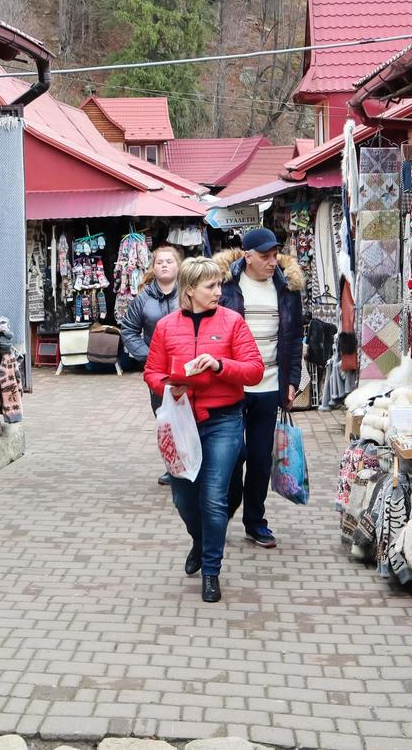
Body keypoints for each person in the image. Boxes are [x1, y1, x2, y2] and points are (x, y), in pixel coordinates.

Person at [143, 256, 264, 603]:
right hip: (181, 423)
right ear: (190, 290)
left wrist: (220, 364)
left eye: (219, 284)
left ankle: (211, 571)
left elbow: (254, 370)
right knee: (183, 498)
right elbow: (151, 372)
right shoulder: (167, 326)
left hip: (223, 420)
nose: (218, 291)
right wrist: (169, 385)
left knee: (213, 498)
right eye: (211, 286)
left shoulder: (232, 322)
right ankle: (200, 540)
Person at [215, 228, 304, 549]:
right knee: (232, 455)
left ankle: (255, 521)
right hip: (232, 385)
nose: (271, 262)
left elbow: (294, 340)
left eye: (274, 255)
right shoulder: (226, 287)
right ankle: (223, 512)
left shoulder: (287, 288)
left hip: (269, 385)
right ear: (246, 255)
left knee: (260, 459)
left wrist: (292, 381)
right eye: (264, 256)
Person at [118, 243, 184, 486]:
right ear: (153, 268)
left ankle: (193, 462)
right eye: (159, 262)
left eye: (169, 261)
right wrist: (149, 357)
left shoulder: (188, 292)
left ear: (178, 266)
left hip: (188, 367)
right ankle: (172, 467)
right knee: (164, 417)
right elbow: (128, 330)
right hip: (158, 372)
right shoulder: (144, 298)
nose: (164, 265)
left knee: (191, 414)